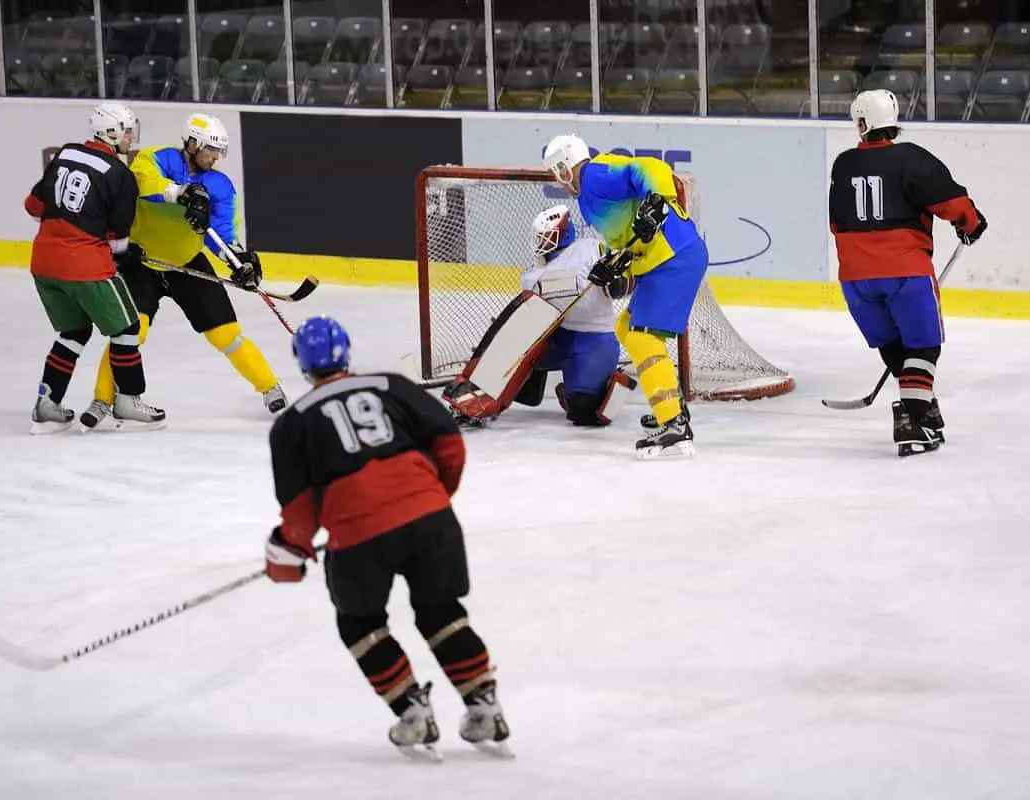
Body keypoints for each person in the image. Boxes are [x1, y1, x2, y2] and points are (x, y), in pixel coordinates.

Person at [263, 316, 511, 760]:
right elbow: (450, 443)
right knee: (440, 612)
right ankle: (485, 707)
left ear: (301, 363)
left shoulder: (291, 424)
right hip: (431, 519)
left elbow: (299, 509)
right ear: (347, 352)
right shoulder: (392, 385)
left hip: (360, 537)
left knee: (359, 622)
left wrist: (288, 550)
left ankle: (412, 713)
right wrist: (433, 497)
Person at [80, 112, 284, 430]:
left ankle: (270, 387)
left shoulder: (219, 184)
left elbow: (223, 234)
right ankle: (102, 399)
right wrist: (181, 193)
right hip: (142, 263)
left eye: (219, 151)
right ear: (191, 144)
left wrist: (238, 260)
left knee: (226, 335)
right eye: (209, 149)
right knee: (130, 334)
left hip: (188, 263)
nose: (214, 157)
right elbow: (141, 182)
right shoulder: (158, 159)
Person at [829, 89, 987, 456]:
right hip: (904, 271)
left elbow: (838, 224)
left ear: (863, 123)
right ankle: (911, 419)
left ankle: (925, 409)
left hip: (855, 278)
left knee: (896, 347)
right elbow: (952, 203)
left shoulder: (843, 164)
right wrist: (971, 223)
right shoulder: (911, 157)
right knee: (923, 346)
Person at [542, 133, 707, 458]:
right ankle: (672, 409)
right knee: (626, 329)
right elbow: (628, 237)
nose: (558, 181)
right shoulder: (588, 199)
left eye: (556, 172)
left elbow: (648, 167)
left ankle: (672, 425)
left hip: (673, 257)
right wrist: (613, 263)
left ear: (563, 165)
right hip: (665, 260)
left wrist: (656, 202)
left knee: (642, 337)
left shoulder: (594, 175)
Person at [26, 102, 164, 434]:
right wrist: (125, 255)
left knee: (73, 332)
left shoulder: (64, 155)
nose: (131, 137)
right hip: (85, 265)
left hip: (44, 264)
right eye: (128, 131)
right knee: (128, 328)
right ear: (112, 131)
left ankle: (47, 402)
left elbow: (33, 208)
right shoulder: (120, 175)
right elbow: (117, 242)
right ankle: (128, 399)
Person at [442, 205, 635, 428]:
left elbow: (626, 280)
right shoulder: (532, 275)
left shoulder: (591, 250)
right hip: (552, 340)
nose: (541, 240)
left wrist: (616, 280)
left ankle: (599, 383)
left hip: (593, 340)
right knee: (509, 346)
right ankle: (482, 388)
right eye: (539, 236)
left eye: (545, 236)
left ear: (561, 235)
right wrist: (501, 348)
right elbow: (529, 316)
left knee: (587, 414)